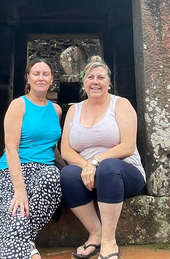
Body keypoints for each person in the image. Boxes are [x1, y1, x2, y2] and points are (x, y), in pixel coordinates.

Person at [60, 58, 146, 259]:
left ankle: (109, 241)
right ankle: (95, 234)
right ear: (84, 83)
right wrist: (87, 165)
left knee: (108, 167)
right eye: (90, 77)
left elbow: (128, 146)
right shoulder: (74, 109)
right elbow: (65, 150)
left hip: (124, 173)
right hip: (90, 177)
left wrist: (96, 162)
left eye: (101, 77)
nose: (95, 81)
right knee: (67, 173)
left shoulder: (120, 104)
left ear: (109, 82)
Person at [0, 58, 63, 259]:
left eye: (45, 74)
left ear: (51, 79)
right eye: (36, 73)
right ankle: (28, 246)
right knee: (17, 215)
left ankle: (23, 241)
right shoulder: (19, 105)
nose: (41, 78)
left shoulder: (56, 110)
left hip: (44, 172)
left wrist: (70, 171)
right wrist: (20, 188)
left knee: (53, 174)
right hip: (14, 171)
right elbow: (11, 148)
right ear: (28, 77)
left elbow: (54, 147)